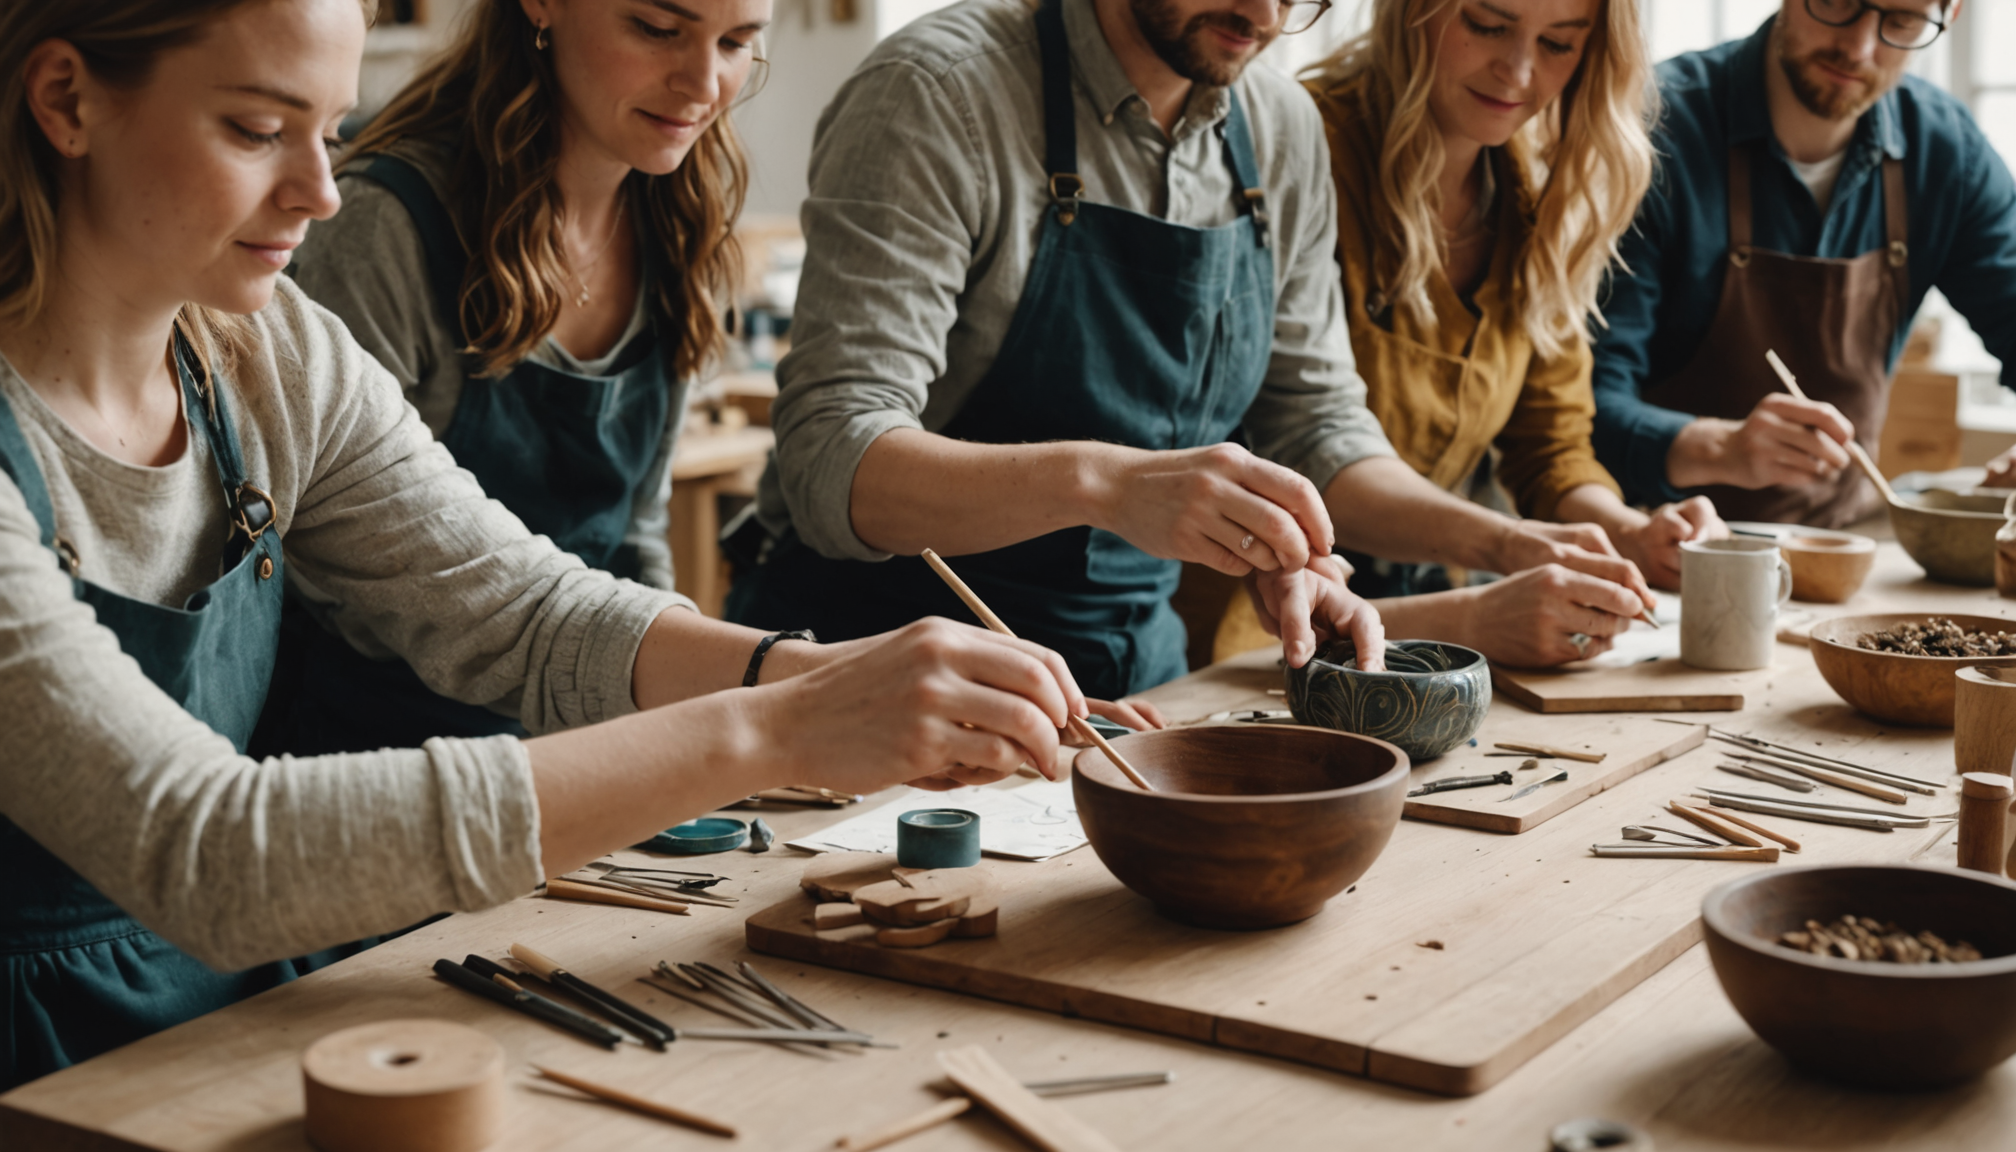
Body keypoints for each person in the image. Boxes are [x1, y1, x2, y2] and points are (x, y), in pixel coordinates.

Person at [0, 0, 1097, 1088]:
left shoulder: (269, 348)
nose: (322, 193)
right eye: (255, 130)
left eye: (329, 131)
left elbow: (521, 611)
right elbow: (206, 851)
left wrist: (814, 674)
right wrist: (780, 727)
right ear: (66, 100)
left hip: (232, 1010)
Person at [724, 0, 1664, 693]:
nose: (1264, 15)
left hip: (1136, 680)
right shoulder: (940, 93)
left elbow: (1318, 426)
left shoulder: (1277, 126)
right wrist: (1108, 483)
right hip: (872, 668)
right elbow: (831, 461)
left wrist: (1490, 542)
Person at [257, 0, 741, 753]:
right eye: (657, 30)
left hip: (583, 703)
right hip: (379, 743)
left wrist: (657, 722)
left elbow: (637, 531)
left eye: (737, 43)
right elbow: (338, 572)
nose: (704, 85)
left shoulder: (679, 218)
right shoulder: (386, 223)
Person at [1301, 0, 1724, 664]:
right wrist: (1503, 551)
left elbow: (1551, 446)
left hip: (1406, 613)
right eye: (1487, 26)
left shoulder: (1536, 189)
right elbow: (1309, 442)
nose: (1519, 71)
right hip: (1253, 619)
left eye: (1558, 44)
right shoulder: (1308, 146)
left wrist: (1627, 534)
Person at [1589, 0, 2016, 526]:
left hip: (1842, 544)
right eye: (1839, 2)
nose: (1859, 47)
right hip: (1645, 543)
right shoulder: (1651, 130)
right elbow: (1576, 410)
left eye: (1901, 20)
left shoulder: (1947, 152)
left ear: (1948, 16)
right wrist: (1718, 448)